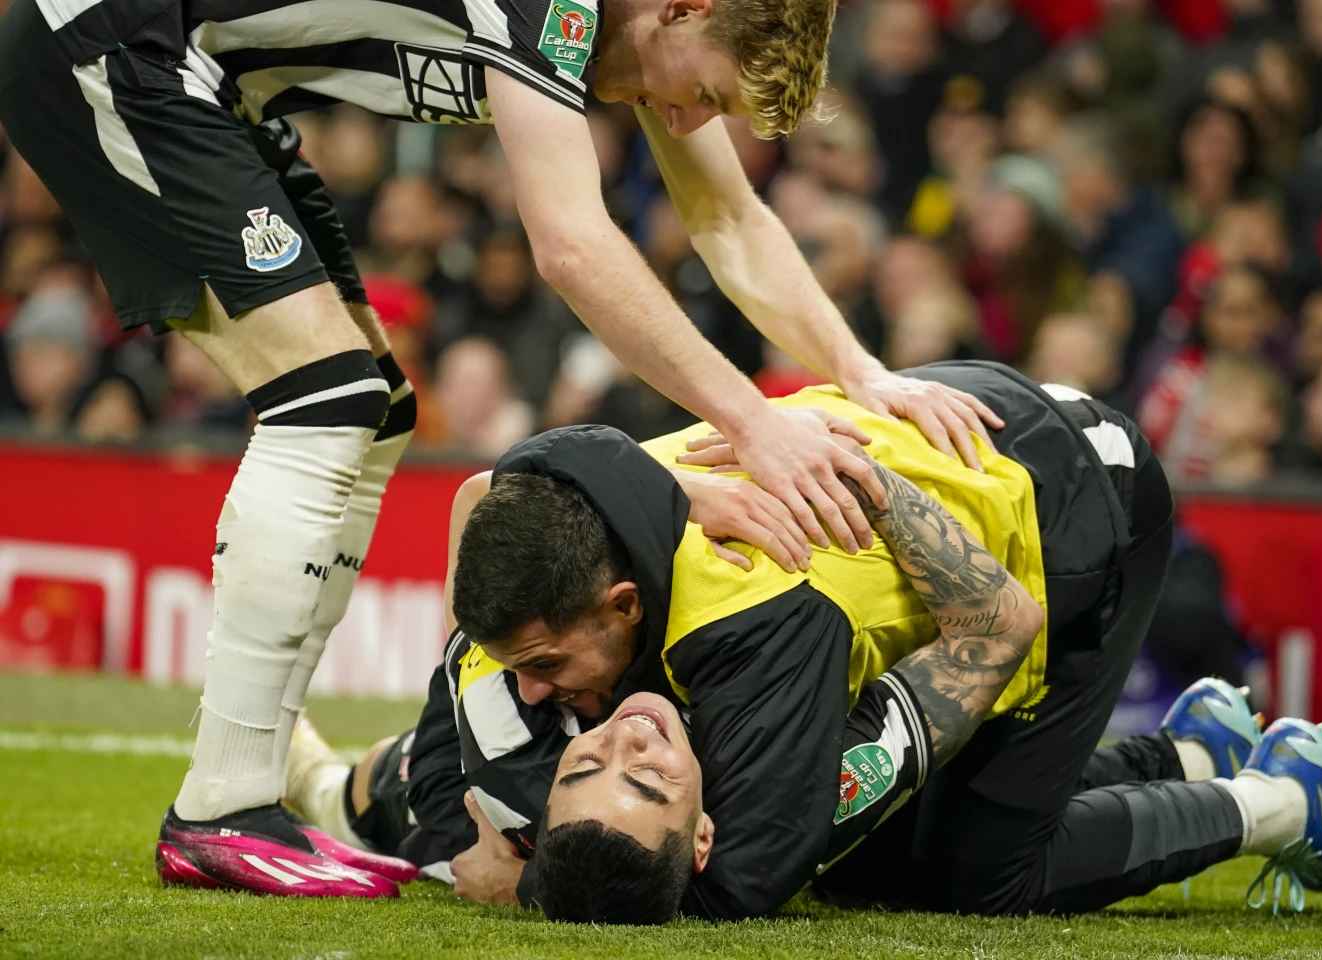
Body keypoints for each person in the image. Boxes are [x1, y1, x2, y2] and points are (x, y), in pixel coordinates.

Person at [0, 0, 1002, 897]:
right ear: (683, 9)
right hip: (115, 41)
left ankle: (252, 790)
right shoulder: (562, 6)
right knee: (330, 396)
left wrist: (860, 368)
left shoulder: (636, 27)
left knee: (373, 408)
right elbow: (569, 246)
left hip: (204, 74)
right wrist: (753, 422)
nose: (690, 123)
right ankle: (224, 806)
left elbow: (729, 217)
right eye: (700, 93)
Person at [286, 368, 1322, 922]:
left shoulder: (760, 679)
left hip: (1062, 507)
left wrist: (496, 851)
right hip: (944, 414)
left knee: (972, 869)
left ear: (623, 603)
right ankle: (1192, 753)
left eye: (552, 676)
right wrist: (473, 827)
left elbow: (1000, 622)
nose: (598, 727)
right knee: (881, 838)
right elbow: (481, 498)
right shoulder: (554, 550)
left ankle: (1282, 800)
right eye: (602, 765)